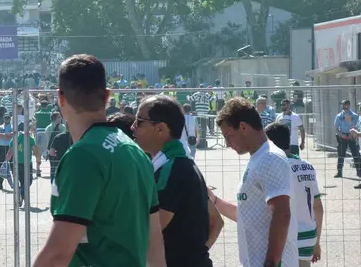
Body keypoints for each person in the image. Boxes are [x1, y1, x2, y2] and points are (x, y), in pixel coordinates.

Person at [33, 54, 166, 267]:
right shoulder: (135, 151)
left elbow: (58, 254)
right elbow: (154, 241)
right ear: (106, 96)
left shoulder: (82, 156)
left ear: (60, 98)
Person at [133, 95, 221, 266]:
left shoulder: (171, 169)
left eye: (139, 121)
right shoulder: (180, 163)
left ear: (160, 129)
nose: (133, 127)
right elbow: (217, 222)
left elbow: (149, 232)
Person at [211, 97, 298, 267]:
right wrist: (214, 200)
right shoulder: (258, 158)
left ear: (243, 127)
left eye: (228, 136)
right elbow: (248, 216)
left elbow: (282, 213)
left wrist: (270, 263)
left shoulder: (269, 158)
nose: (227, 144)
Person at [264, 122, 323, 266]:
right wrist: (317, 242)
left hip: (287, 235)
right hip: (308, 236)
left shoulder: (277, 167)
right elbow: (318, 207)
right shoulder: (308, 167)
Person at [6, 121, 41, 206]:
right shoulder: (30, 138)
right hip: (27, 164)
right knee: (28, 181)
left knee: (21, 181)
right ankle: (23, 196)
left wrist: (6, 162)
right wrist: (38, 160)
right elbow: (35, 151)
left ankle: (21, 195)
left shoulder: (14, 138)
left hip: (16, 164)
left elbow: (10, 152)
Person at [334, 99, 360, 178]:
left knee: (355, 154)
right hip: (343, 136)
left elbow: (357, 126)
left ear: (348, 105)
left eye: (344, 104)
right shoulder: (339, 116)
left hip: (352, 136)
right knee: (341, 154)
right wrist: (341, 134)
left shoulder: (354, 116)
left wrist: (353, 134)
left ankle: (359, 172)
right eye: (342, 104)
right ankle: (339, 172)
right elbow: (336, 128)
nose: (343, 106)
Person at [0, 114, 14, 190]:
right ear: (3, 119)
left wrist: (4, 135)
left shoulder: (13, 126)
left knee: (13, 166)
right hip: (2, 148)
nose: (7, 119)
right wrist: (7, 135)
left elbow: (13, 135)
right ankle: (0, 184)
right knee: (0, 166)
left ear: (10, 118)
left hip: (11, 148)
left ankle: (16, 184)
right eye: (5, 118)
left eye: (8, 118)